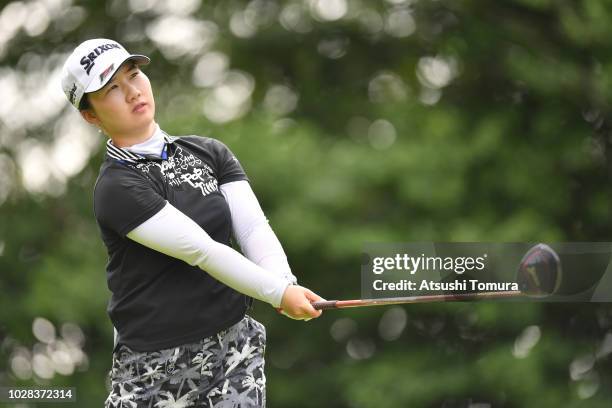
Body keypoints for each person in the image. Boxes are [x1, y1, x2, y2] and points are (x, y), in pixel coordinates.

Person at [61, 38, 324, 407]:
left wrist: (284, 282)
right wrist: (278, 294)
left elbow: (251, 229)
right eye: (112, 89)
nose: (132, 91)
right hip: (153, 369)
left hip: (234, 351)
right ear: (91, 115)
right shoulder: (116, 187)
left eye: (134, 75)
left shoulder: (209, 152)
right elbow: (201, 250)